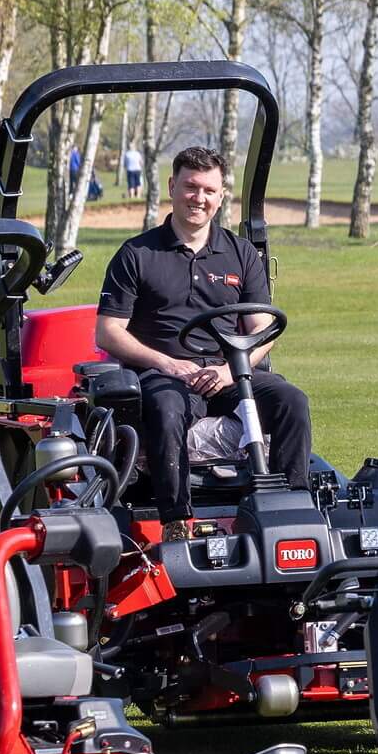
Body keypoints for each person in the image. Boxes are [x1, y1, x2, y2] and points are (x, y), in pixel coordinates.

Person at [95, 145, 313, 541]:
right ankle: (176, 519)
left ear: (221, 196)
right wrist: (167, 364)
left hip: (228, 372)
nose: (199, 198)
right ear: (172, 187)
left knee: (291, 400)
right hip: (165, 372)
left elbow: (262, 329)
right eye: (191, 187)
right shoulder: (137, 254)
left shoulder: (240, 253)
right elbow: (108, 332)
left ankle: (289, 507)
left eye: (209, 191)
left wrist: (232, 370)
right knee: (164, 407)